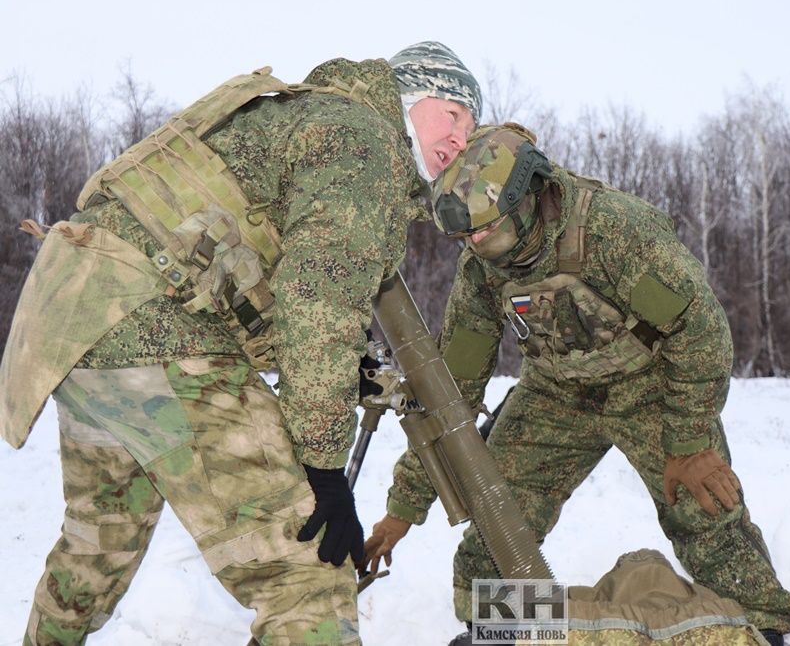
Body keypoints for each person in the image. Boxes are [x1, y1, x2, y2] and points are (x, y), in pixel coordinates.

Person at [0, 41, 480, 646]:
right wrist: (324, 469)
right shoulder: (369, 142)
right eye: (455, 114)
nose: (461, 139)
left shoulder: (314, 116)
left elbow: (261, 273)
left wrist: (335, 364)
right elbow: (318, 301)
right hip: (156, 329)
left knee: (97, 547)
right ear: (410, 93)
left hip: (78, 322)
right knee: (305, 577)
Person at [362, 123, 790, 645]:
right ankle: (510, 631)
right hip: (556, 393)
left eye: (484, 230)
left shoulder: (614, 232)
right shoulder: (482, 269)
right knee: (497, 521)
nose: (474, 244)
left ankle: (760, 625)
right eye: (464, 236)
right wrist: (404, 507)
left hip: (649, 384)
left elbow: (701, 330)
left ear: (528, 198)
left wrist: (689, 442)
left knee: (704, 508)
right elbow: (451, 389)